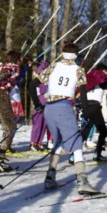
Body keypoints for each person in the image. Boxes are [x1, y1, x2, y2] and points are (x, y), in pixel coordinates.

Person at [39, 42, 100, 196]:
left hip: (49, 107)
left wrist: (38, 102)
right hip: (64, 106)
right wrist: (87, 111)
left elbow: (39, 81)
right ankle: (82, 181)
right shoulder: (78, 69)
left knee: (58, 142)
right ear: (76, 55)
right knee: (76, 143)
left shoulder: (53, 66)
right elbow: (83, 92)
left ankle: (49, 177)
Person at [81, 64, 107, 161]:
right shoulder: (102, 80)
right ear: (102, 70)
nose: (106, 73)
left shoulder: (90, 79)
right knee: (103, 131)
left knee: (87, 129)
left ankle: (74, 154)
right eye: (106, 71)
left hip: (88, 105)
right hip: (94, 106)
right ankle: (97, 154)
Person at [28, 60, 51, 151]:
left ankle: (38, 142)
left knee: (44, 123)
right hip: (40, 101)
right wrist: (37, 104)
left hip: (47, 101)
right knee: (38, 123)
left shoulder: (46, 78)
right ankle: (33, 142)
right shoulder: (38, 80)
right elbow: (33, 87)